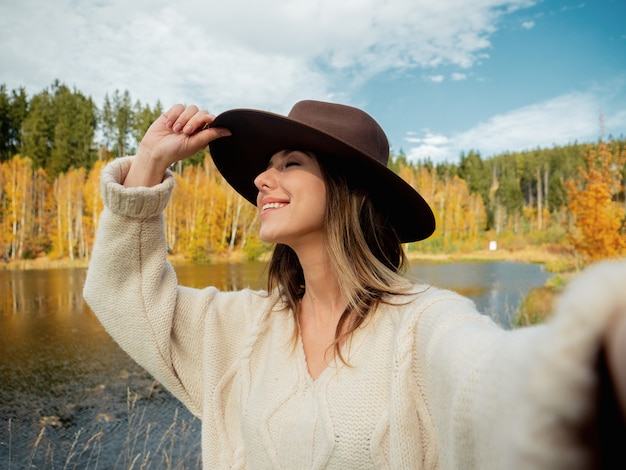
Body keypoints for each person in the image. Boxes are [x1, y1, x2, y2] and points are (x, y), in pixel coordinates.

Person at [83, 100, 626, 469]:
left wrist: (587, 360)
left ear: (348, 188)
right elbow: (121, 294)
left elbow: (486, 380)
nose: (260, 180)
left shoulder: (424, 325)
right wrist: (148, 166)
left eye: (290, 163)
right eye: (265, 167)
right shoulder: (238, 330)